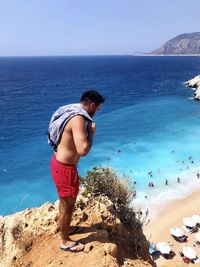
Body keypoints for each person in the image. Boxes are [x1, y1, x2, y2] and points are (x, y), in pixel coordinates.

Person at [49, 90, 105, 252]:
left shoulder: (72, 110)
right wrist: (91, 134)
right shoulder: (79, 118)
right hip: (65, 169)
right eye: (98, 109)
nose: (97, 112)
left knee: (64, 203)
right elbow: (83, 150)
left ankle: (66, 228)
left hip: (58, 163)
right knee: (68, 206)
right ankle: (64, 241)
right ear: (92, 105)